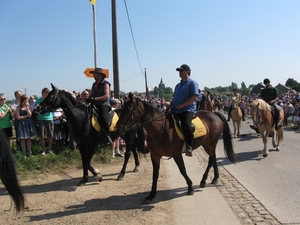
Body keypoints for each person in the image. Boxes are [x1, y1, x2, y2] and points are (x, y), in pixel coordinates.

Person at [170, 64, 199, 157]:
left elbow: (194, 97)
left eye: (181, 71)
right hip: (176, 109)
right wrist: (169, 105)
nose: (180, 72)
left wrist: (182, 105)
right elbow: (175, 98)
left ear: (187, 71)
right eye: (179, 71)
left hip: (187, 109)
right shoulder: (177, 85)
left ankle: (189, 146)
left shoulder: (192, 83)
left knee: (186, 124)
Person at [86, 67, 113, 145]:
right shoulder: (94, 84)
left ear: (100, 75)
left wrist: (95, 99)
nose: (94, 75)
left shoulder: (106, 84)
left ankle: (108, 136)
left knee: (103, 117)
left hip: (103, 104)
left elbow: (107, 96)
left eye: (95, 74)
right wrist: (88, 99)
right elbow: (91, 94)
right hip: (94, 104)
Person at [36, 88, 54, 155]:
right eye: (45, 92)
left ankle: (49, 149)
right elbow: (37, 110)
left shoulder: (50, 100)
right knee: (42, 135)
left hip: (49, 118)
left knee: (50, 135)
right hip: (41, 119)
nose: (46, 94)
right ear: (42, 93)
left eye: (48, 93)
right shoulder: (39, 100)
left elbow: (52, 108)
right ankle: (43, 150)